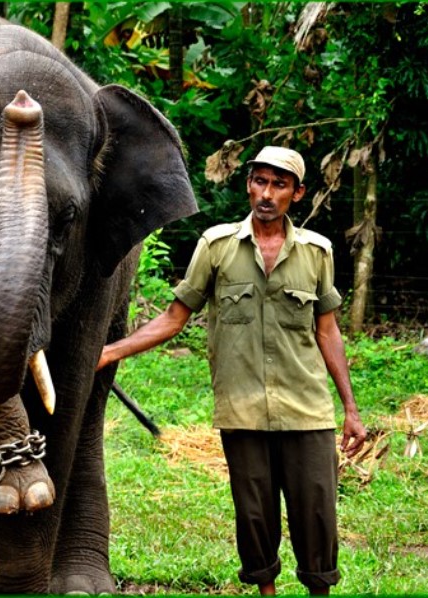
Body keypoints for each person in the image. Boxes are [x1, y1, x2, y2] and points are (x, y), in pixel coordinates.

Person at [97, 146, 366, 595]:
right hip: (242, 411)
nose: (266, 194)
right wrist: (108, 352)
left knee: (316, 514)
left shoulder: (317, 253)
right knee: (254, 514)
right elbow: (173, 318)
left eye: (279, 185)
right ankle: (266, 593)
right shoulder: (216, 246)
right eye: (259, 182)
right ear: (248, 185)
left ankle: (319, 591)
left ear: (297, 194)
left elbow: (328, 332)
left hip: (307, 411)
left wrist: (351, 410)